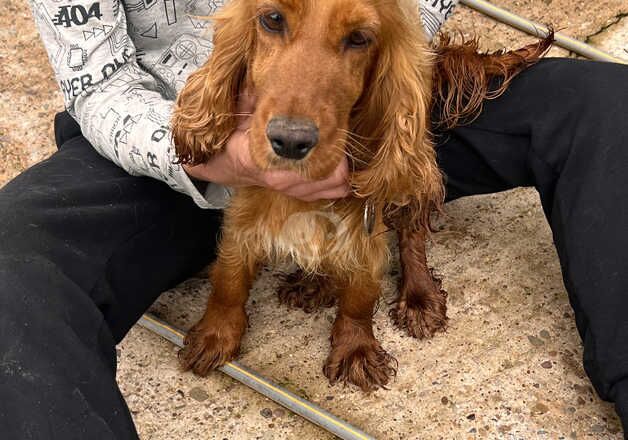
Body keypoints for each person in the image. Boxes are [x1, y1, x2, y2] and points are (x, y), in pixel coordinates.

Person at [1, 0, 626, 437]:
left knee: (607, 102)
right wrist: (223, 154)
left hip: (379, 119)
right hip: (177, 135)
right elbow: (96, 86)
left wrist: (378, 111)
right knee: (9, 276)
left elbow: (410, 23)